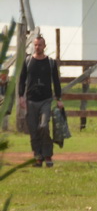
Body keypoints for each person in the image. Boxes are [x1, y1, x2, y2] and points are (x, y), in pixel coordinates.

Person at [18, 35, 63, 168]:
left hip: (46, 100)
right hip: (31, 100)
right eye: (36, 45)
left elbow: (56, 81)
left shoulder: (50, 62)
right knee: (33, 130)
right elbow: (21, 80)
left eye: (40, 45)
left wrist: (59, 99)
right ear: (33, 46)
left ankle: (48, 155)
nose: (38, 47)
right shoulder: (27, 62)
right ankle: (38, 157)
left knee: (43, 126)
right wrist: (21, 96)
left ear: (44, 46)